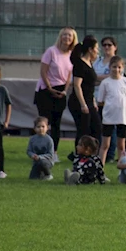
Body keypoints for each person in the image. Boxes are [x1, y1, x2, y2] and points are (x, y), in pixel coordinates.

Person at [34, 27, 76, 161]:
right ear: (60, 36)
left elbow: (69, 76)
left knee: (57, 124)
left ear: (73, 38)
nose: (66, 37)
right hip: (46, 90)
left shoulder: (72, 55)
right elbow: (43, 71)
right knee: (44, 123)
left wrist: (65, 90)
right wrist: (50, 88)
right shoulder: (51, 51)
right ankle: (40, 152)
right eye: (64, 35)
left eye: (69, 35)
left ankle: (54, 153)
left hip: (61, 91)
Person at [97, 55, 126, 164]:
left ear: (122, 67)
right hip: (108, 117)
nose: (116, 69)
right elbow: (100, 100)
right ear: (110, 67)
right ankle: (100, 169)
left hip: (123, 117)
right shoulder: (105, 83)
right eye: (114, 67)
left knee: (121, 145)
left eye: (119, 67)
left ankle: (122, 169)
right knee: (105, 145)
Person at [67, 36, 102, 145]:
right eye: (96, 48)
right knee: (83, 130)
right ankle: (79, 155)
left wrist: (93, 101)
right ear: (90, 49)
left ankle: (92, 153)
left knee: (97, 127)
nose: (98, 51)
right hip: (79, 102)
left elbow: (90, 85)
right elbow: (77, 85)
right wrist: (83, 104)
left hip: (89, 101)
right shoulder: (79, 64)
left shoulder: (90, 63)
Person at [94, 36, 121, 161]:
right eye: (104, 45)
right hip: (97, 98)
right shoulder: (97, 61)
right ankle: (98, 152)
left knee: (111, 128)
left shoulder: (116, 63)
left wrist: (100, 78)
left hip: (111, 100)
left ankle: (110, 155)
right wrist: (103, 77)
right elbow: (91, 77)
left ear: (115, 47)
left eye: (109, 45)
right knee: (99, 127)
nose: (106, 47)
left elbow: (115, 77)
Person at [27, 116, 55, 180]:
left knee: (42, 162)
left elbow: (50, 154)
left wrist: (40, 157)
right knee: (33, 178)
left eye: (43, 126)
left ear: (47, 128)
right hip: (36, 162)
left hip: (47, 161)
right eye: (38, 127)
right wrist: (32, 155)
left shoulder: (49, 140)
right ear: (34, 128)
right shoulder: (32, 139)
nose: (41, 129)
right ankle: (41, 174)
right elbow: (29, 151)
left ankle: (48, 174)